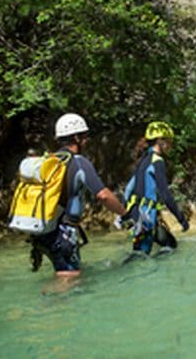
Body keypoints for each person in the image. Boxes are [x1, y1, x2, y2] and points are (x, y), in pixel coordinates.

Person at [31, 113, 126, 278]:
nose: (87, 140)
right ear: (76, 137)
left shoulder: (50, 161)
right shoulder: (79, 162)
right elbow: (103, 195)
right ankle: (42, 304)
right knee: (68, 281)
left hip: (41, 232)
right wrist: (125, 214)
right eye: (85, 136)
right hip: (63, 233)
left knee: (68, 276)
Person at [116, 121, 189, 256]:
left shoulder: (143, 160)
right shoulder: (158, 162)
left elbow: (129, 189)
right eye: (169, 141)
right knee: (141, 256)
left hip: (138, 215)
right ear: (161, 141)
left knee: (169, 244)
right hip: (146, 218)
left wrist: (125, 214)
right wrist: (181, 219)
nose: (171, 145)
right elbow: (166, 195)